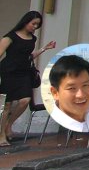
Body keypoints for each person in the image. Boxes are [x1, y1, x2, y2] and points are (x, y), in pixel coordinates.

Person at [0, 11, 56, 146]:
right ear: (26, 22)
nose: (35, 27)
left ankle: (9, 124)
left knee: (25, 100)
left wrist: (44, 49)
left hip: (24, 72)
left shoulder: (32, 39)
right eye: (33, 23)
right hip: (8, 72)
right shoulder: (10, 37)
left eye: (38, 25)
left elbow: (28, 56)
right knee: (7, 104)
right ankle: (2, 135)